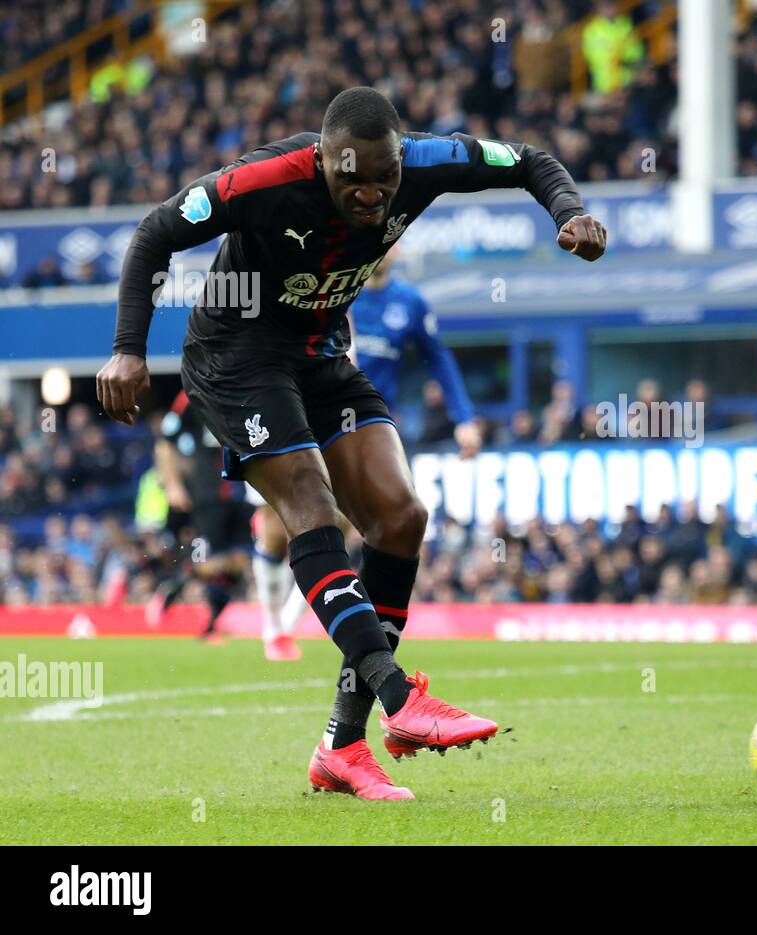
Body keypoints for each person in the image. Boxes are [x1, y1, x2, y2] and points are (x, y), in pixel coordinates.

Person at [97, 86, 606, 800]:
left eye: (384, 178)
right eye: (351, 179)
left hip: (322, 353)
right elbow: (154, 232)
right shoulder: (264, 179)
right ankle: (401, 699)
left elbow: (528, 160)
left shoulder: (427, 162)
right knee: (310, 502)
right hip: (235, 358)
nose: (370, 195)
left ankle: (341, 746)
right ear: (322, 160)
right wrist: (127, 350)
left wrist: (571, 211)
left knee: (402, 517)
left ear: (401, 159)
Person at [248, 247, 482, 662]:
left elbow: (439, 358)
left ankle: (283, 628)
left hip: (362, 431)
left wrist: (463, 416)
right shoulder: (335, 291)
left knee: (338, 524)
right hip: (305, 413)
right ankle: (270, 622)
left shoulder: (409, 303)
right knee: (275, 522)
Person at [145, 389, 253, 640]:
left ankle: (212, 626)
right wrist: (172, 485)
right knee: (207, 561)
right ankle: (169, 592)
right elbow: (165, 443)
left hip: (245, 493)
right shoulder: (192, 393)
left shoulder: (248, 385)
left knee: (240, 562)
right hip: (210, 493)